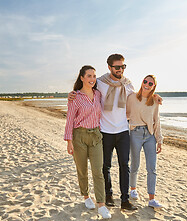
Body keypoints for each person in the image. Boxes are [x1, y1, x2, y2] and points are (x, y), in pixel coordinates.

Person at [69, 54, 138, 210]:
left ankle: (125, 200)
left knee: (124, 165)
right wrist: (71, 94)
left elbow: (139, 99)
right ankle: (108, 196)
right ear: (109, 67)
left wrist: (155, 97)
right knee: (105, 166)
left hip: (122, 131)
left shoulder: (128, 85)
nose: (121, 70)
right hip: (105, 132)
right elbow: (84, 90)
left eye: (123, 66)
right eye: (117, 67)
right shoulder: (100, 82)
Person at [64, 65, 111, 219]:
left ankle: (101, 205)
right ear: (82, 78)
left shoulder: (98, 94)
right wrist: (69, 141)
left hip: (96, 136)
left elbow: (117, 94)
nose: (92, 79)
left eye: (94, 76)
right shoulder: (75, 97)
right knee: (82, 170)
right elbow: (70, 119)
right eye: (89, 76)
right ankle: (86, 196)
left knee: (98, 171)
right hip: (79, 136)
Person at [126, 75, 163, 209]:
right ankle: (133, 189)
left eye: (150, 84)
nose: (147, 84)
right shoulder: (131, 97)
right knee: (135, 164)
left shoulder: (154, 101)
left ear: (153, 87)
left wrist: (159, 140)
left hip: (150, 136)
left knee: (152, 168)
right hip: (135, 133)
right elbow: (124, 113)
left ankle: (151, 199)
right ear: (142, 82)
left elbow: (157, 121)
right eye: (145, 81)